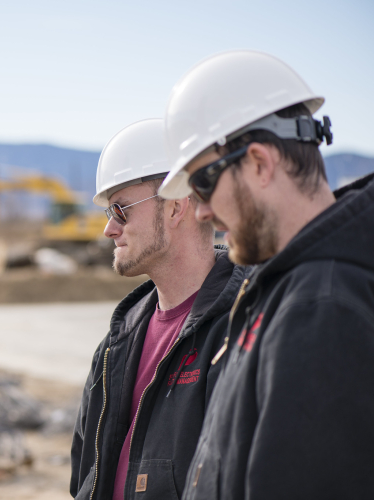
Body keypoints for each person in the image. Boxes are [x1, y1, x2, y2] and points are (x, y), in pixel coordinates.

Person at [159, 50, 374, 499]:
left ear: (259, 163)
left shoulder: (322, 307)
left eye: (202, 184)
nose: (199, 211)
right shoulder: (286, 288)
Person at [70, 119, 247, 500]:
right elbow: (84, 479)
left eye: (121, 209)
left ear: (176, 208)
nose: (109, 230)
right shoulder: (116, 344)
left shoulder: (244, 326)